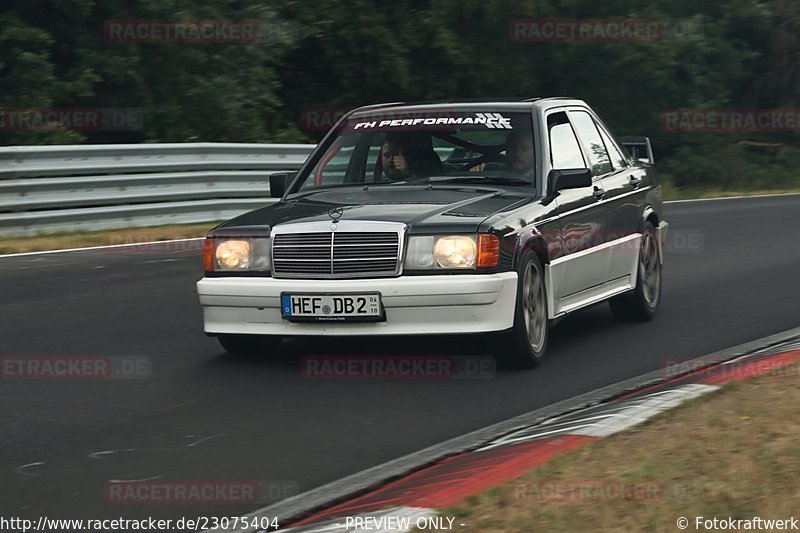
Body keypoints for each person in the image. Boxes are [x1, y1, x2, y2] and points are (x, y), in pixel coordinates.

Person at [377, 132, 442, 181]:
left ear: (407, 156)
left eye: (396, 155)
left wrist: (407, 173)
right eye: (387, 155)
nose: (390, 160)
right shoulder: (375, 184)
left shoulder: (426, 181)